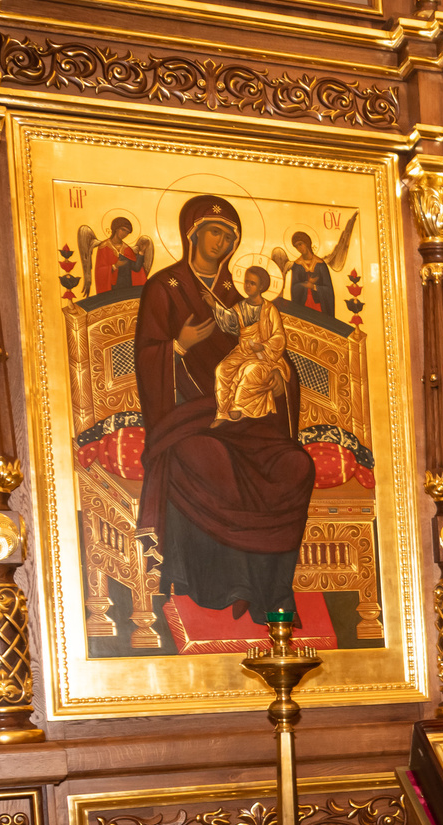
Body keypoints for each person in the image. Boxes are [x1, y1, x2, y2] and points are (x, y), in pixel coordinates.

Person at [131, 195, 321, 624]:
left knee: (296, 465)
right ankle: (221, 584)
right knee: (209, 458)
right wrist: (180, 345)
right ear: (193, 234)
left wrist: (279, 378)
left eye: (229, 236)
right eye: (214, 232)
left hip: (248, 418)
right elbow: (147, 355)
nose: (220, 242)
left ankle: (274, 592)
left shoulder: (240, 296)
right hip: (190, 419)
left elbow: (272, 352)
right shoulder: (166, 288)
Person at [209, 265, 289, 429]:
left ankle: (239, 407)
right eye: (246, 282)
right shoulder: (240, 307)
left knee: (249, 370)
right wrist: (214, 306)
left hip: (262, 355)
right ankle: (223, 412)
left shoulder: (269, 309)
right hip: (242, 351)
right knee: (221, 370)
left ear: (261, 287)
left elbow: (279, 336)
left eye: (252, 283)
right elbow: (229, 322)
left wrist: (264, 346)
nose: (247, 286)